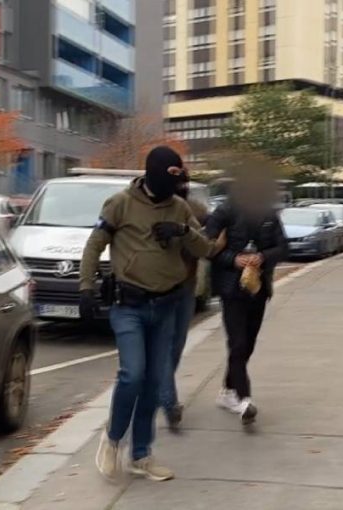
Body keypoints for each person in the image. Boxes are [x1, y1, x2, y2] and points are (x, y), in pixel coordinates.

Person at [79, 146, 215, 482]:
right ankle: (113, 439)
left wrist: (182, 231)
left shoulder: (180, 208)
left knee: (153, 382)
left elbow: (206, 249)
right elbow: (95, 244)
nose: (176, 184)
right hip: (129, 306)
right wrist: (86, 286)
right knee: (133, 374)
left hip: (166, 306)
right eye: (172, 175)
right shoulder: (120, 203)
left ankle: (141, 455)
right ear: (154, 172)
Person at [205, 173, 288, 425]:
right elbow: (207, 247)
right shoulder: (224, 212)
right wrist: (234, 259)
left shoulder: (268, 214)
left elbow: (283, 247)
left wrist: (262, 257)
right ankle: (244, 400)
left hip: (257, 288)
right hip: (231, 288)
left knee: (247, 343)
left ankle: (228, 390)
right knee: (238, 342)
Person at [159, 170, 210, 430]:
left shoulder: (195, 210)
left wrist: (186, 232)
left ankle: (161, 388)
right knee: (165, 346)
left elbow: (204, 244)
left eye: (184, 182)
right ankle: (169, 403)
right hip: (161, 288)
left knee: (176, 347)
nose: (181, 187)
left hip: (186, 286)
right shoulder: (153, 208)